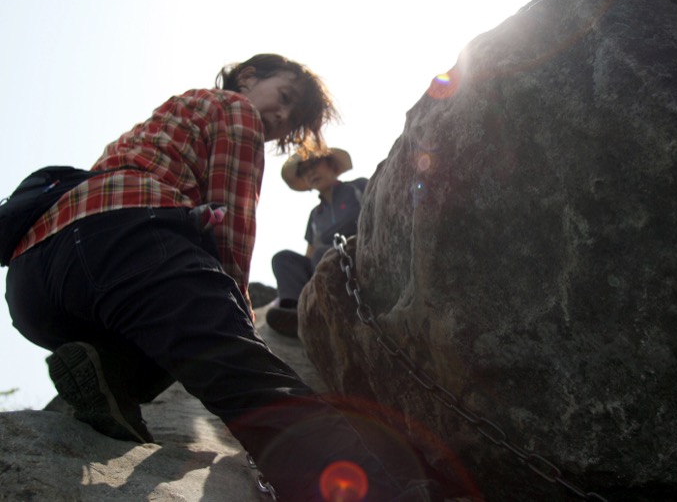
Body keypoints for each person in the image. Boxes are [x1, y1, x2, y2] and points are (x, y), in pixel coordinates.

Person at [4, 54, 440, 501]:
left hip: (34, 281)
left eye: (291, 120)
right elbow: (231, 226)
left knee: (156, 333)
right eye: (284, 97)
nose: (281, 117)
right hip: (130, 240)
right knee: (247, 378)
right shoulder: (237, 109)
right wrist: (239, 326)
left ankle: (107, 371)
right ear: (247, 77)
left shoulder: (166, 116)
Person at [267, 147, 367, 337]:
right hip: (322, 264)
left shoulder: (357, 188)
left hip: (357, 254)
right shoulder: (315, 215)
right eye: (304, 171)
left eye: (314, 164)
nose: (310, 173)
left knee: (323, 254)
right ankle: (294, 312)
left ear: (331, 165)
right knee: (283, 259)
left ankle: (326, 310)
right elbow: (310, 254)